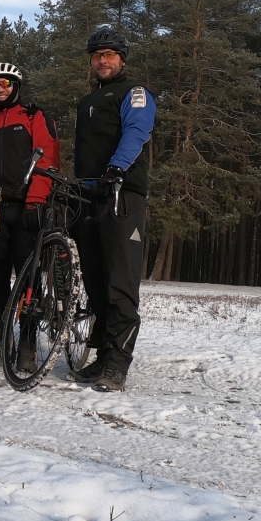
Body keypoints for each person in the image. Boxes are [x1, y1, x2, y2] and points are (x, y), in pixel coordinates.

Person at [72, 25, 156, 391]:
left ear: (122, 60)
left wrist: (116, 168)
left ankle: (118, 363)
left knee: (120, 281)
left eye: (108, 55)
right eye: (96, 56)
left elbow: (137, 132)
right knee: (96, 281)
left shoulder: (134, 93)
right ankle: (103, 357)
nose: (102, 61)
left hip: (122, 193)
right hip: (89, 196)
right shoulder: (87, 101)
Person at [0, 63, 60, 365]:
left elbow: (47, 159)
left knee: (29, 279)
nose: (0, 89)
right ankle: (3, 334)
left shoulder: (33, 117)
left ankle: (28, 344)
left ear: (16, 86)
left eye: (6, 83)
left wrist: (35, 201)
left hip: (26, 209)